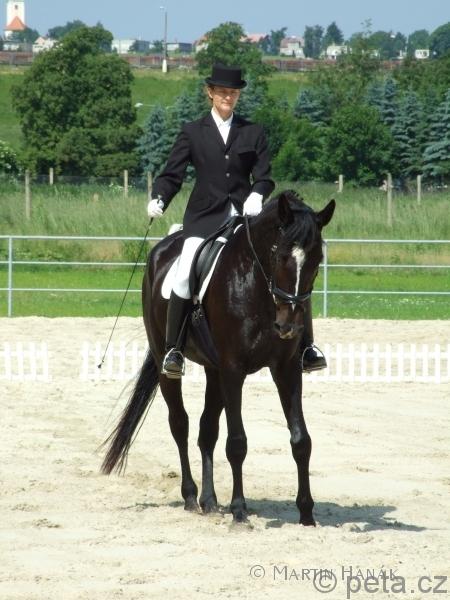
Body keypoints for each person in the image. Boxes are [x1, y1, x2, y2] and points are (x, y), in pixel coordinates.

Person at [148, 63, 325, 378]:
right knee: (185, 273)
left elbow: (264, 177)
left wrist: (257, 194)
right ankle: (174, 349)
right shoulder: (193, 131)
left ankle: (307, 347)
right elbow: (172, 174)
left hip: (246, 220)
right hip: (204, 219)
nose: (228, 97)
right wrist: (160, 197)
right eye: (222, 92)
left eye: (233, 92)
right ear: (210, 93)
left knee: (289, 270)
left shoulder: (252, 131)